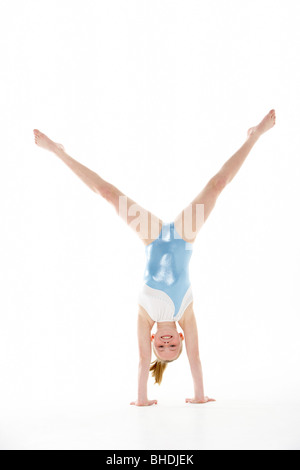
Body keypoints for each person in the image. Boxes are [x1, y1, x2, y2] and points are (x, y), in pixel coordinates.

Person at [33, 109, 276, 406]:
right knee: (218, 185)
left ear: (154, 342)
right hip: (183, 238)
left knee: (108, 194)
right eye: (172, 345)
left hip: (153, 238)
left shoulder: (145, 316)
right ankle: (255, 136)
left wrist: (142, 400)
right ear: (179, 338)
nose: (166, 343)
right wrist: (200, 397)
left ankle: (57, 151)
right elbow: (196, 358)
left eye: (162, 347)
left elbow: (142, 361)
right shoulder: (184, 313)